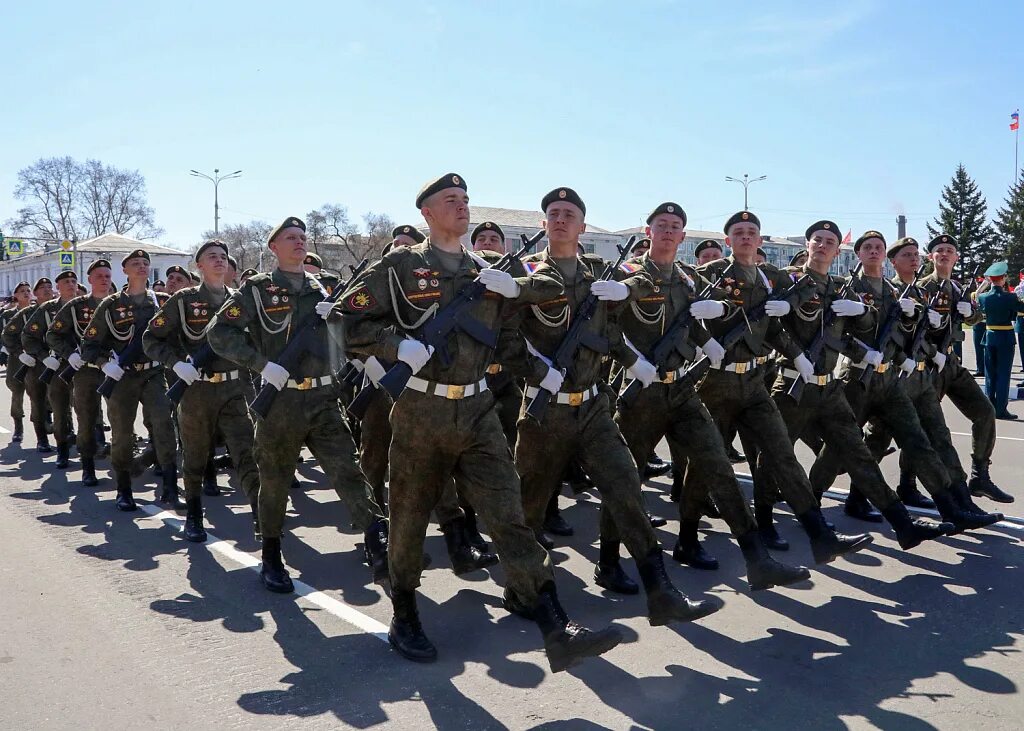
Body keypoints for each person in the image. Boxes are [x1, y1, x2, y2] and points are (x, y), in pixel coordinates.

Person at [340, 174, 622, 671]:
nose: (462, 206)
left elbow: (513, 338)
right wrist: (392, 346)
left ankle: (555, 622)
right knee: (407, 517)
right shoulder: (401, 265)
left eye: (465, 200)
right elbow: (348, 321)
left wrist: (543, 376)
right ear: (426, 213)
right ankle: (404, 612)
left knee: (508, 514)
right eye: (451, 200)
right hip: (421, 410)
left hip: (478, 409)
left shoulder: (487, 271)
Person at [513, 186, 721, 626]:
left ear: (583, 226)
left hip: (592, 408)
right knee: (530, 505)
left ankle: (661, 590)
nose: (561, 219)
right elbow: (505, 336)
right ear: (543, 222)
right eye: (554, 213)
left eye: (570, 213)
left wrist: (634, 362)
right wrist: (536, 371)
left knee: (627, 487)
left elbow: (610, 330)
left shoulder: (598, 275)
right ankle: (522, 589)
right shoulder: (525, 273)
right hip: (544, 410)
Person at [612, 201, 809, 590]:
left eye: (675, 226)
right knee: (624, 479)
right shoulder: (638, 274)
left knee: (718, 465)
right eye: (661, 225)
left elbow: (690, 320)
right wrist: (631, 362)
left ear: (683, 236)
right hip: (654, 390)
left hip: (697, 387)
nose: (668, 231)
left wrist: (708, 339)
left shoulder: (696, 278)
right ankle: (608, 561)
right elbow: (607, 327)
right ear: (648, 231)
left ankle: (759, 555)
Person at [208, 217, 389, 594]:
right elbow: (218, 333)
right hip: (281, 402)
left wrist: (336, 318)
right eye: (290, 237)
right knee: (273, 481)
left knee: (349, 472)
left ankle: (377, 543)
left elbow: (340, 342)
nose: (299, 242)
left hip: (323, 398)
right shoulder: (257, 291)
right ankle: (271, 555)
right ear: (273, 247)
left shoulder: (322, 289)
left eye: (303, 237)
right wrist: (261, 365)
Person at [756, 221, 951, 549]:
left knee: (858, 451)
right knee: (776, 453)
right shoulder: (788, 280)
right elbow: (766, 322)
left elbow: (852, 334)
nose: (822, 245)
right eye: (817, 239)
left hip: (829, 386)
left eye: (829, 241)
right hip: (793, 384)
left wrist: (862, 312)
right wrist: (791, 352)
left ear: (837, 250)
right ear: (807, 244)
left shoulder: (840, 287)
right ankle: (763, 520)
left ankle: (902, 524)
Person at [694, 211, 873, 562]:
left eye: (752, 232)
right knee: (708, 463)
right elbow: (680, 310)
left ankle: (818, 535)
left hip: (756, 380)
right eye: (739, 232)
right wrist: (703, 340)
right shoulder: (710, 273)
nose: (746, 237)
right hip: (715, 380)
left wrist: (797, 354)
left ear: (760, 241)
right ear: (728, 239)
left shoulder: (769, 277)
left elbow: (777, 324)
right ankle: (687, 535)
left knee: (781, 455)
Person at [144, 239, 262, 541]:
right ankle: (195, 513)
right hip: (196, 391)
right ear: (199, 265)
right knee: (195, 456)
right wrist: (176, 363)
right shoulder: (183, 300)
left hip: (234, 389)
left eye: (224, 256)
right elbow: (151, 338)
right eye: (212, 257)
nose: (220, 261)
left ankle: (261, 515)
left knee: (246, 453)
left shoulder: (240, 300)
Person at [80, 250, 179, 511]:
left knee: (164, 425)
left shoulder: (162, 302)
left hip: (154, 373)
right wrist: (105, 363)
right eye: (136, 263)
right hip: (122, 378)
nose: (142, 267)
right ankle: (123, 488)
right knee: (122, 433)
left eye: (146, 263)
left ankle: (170, 485)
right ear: (125, 270)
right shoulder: (111, 305)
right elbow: (89, 344)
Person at [917, 235, 1007, 505]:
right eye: (939, 250)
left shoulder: (958, 288)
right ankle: (907, 484)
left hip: (952, 363)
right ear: (930, 257)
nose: (944, 254)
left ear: (956, 258)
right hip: (928, 365)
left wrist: (971, 313)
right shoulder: (921, 287)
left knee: (985, 412)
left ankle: (980, 475)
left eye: (950, 251)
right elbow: (908, 329)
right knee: (924, 428)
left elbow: (976, 318)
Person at [48, 260, 114, 486]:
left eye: (107, 275)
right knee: (86, 418)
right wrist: (69, 355)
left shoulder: (119, 304)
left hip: (116, 370)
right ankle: (88, 466)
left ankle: (121, 465)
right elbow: (53, 335)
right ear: (90, 280)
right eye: (99, 276)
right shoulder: (76, 306)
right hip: (86, 370)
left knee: (120, 418)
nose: (104, 279)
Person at [22, 270, 80, 467]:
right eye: (66, 281)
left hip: (86, 366)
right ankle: (62, 450)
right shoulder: (47, 310)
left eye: (74, 281)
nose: (71, 284)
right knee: (60, 409)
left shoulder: (87, 306)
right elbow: (28, 336)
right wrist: (44, 357)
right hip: (58, 366)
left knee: (88, 409)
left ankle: (89, 448)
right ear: (59, 287)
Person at [5, 278, 56, 452]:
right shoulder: (26, 314)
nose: (47, 290)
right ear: (36, 293)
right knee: (37, 400)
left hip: (58, 362)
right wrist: (20, 353)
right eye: (42, 288)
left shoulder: (61, 309)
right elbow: (7, 335)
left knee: (63, 400)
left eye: (49, 287)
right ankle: (39, 437)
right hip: (33, 364)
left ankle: (64, 436)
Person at [977, 260, 1024, 423]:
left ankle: (989, 407)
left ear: (990, 279)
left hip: (989, 336)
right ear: (1003, 278)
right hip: (1006, 337)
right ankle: (1001, 409)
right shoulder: (1010, 297)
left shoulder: (983, 297)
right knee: (1004, 374)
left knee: (990, 374)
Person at [3, 282, 33, 442]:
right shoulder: (8, 315)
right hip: (16, 358)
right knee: (17, 392)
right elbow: (5, 336)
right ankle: (18, 427)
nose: (26, 293)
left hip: (36, 358)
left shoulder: (37, 312)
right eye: (22, 291)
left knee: (40, 393)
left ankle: (45, 422)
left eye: (28, 290)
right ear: (16, 295)